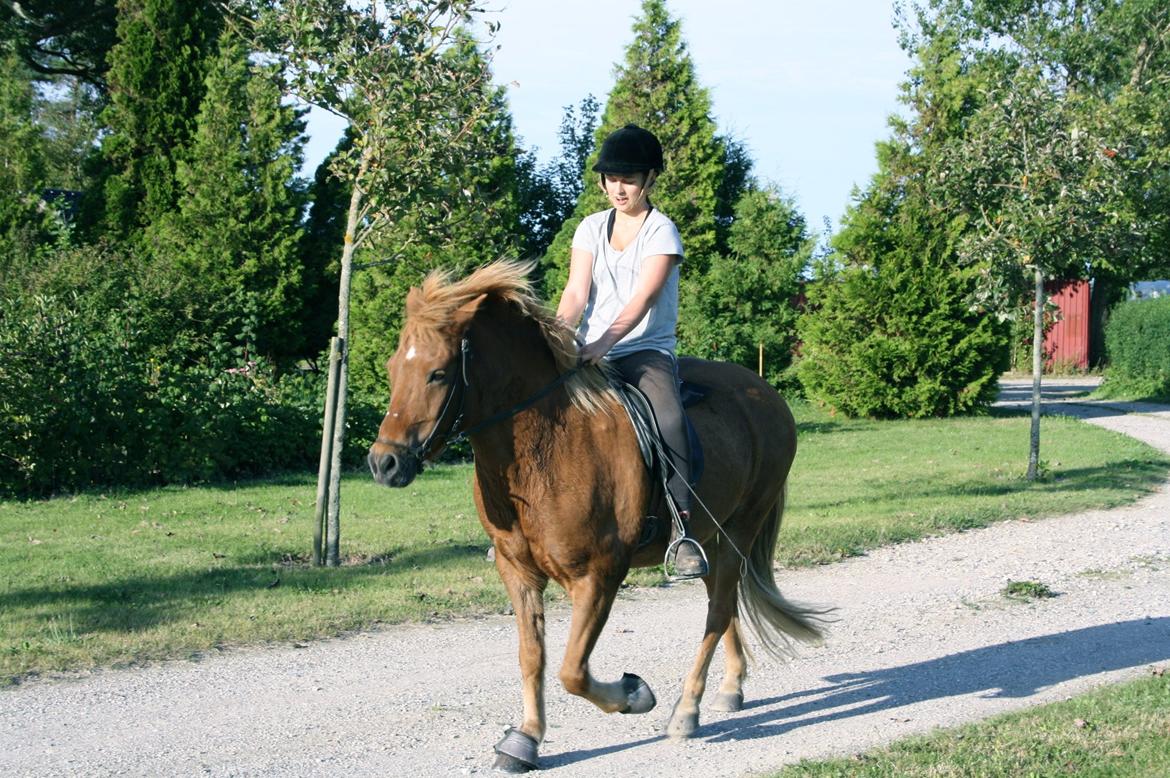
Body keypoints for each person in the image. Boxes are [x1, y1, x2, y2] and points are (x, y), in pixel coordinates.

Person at [556, 123, 708, 579]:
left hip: (644, 352)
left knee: (670, 418)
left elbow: (642, 299)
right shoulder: (588, 228)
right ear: (602, 181)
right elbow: (576, 291)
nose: (620, 189)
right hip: (587, 350)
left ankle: (683, 530)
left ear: (648, 180)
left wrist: (604, 343)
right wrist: (560, 335)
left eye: (630, 179)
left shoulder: (662, 232)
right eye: (612, 179)